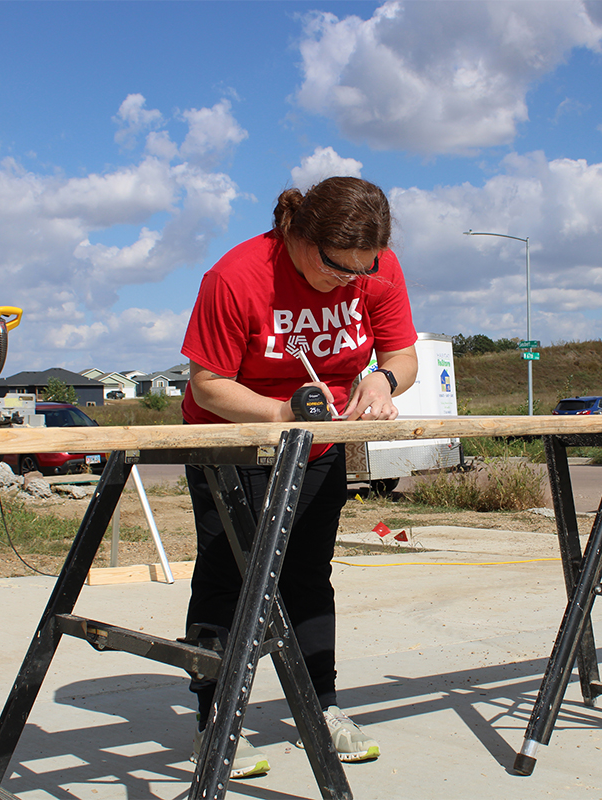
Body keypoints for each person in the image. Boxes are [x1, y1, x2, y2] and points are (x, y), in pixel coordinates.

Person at [180, 176, 418, 778]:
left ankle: (322, 706)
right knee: (228, 575)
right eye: (341, 271)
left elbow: (402, 355)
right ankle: (214, 719)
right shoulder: (234, 277)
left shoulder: (375, 266)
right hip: (233, 443)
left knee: (309, 574)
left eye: (363, 272)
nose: (353, 283)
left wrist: (382, 381)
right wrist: (280, 413)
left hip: (319, 444)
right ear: (302, 238)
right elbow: (206, 383)